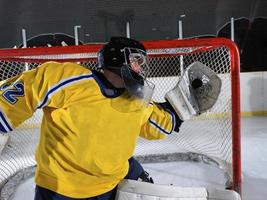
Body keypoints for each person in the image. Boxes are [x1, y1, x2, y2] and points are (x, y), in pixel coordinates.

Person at [0, 37, 183, 200]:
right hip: (61, 190)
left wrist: (182, 109)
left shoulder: (136, 99)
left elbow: (158, 125)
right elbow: (21, 93)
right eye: (137, 61)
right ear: (118, 59)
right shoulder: (69, 80)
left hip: (110, 186)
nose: (141, 68)